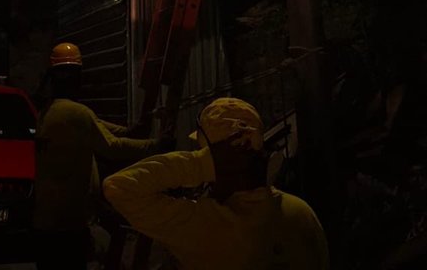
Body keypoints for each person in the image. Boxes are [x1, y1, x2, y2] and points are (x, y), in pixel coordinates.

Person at [103, 96, 329, 270]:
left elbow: (119, 187)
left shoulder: (202, 228)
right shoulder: (301, 213)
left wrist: (203, 164)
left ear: (216, 160)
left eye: (203, 152)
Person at [33, 41, 164, 270]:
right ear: (76, 76)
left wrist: (134, 130)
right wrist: (157, 146)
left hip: (47, 222)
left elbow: (103, 128)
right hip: (67, 224)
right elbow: (111, 146)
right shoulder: (76, 113)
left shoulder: (51, 111)